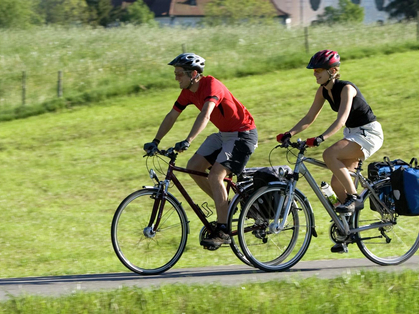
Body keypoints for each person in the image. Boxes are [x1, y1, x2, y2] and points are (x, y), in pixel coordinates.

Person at [143, 53, 258, 247]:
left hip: (242, 135)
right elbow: (172, 116)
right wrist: (156, 140)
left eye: (179, 73)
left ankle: (223, 231)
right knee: (194, 166)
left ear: (194, 74)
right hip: (224, 134)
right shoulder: (188, 91)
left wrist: (188, 140)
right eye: (175, 73)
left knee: (215, 176)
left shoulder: (212, 86)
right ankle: (226, 208)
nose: (176, 77)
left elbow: (205, 115)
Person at [277, 50, 384, 251]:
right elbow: (309, 118)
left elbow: (341, 119)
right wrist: (288, 134)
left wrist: (321, 138)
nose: (315, 74)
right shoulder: (323, 91)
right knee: (336, 184)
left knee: (329, 154)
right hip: (353, 133)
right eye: (314, 70)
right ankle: (348, 232)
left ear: (333, 71)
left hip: (368, 133)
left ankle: (354, 198)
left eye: (318, 70)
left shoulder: (347, 89)